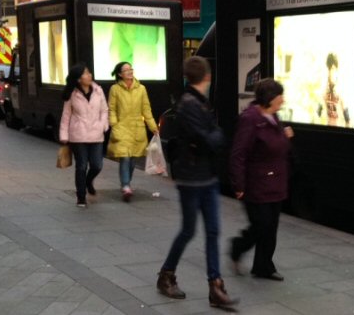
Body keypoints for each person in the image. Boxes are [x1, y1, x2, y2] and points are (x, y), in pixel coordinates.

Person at [157, 57, 238, 308]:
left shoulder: (199, 102)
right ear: (207, 77)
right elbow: (209, 139)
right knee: (189, 230)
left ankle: (216, 286)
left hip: (206, 176)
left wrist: (214, 136)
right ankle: (166, 275)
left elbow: (210, 137)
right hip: (192, 179)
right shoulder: (190, 104)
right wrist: (216, 135)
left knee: (212, 231)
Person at [229, 78, 293, 281]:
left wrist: (285, 137)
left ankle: (264, 266)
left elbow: (278, 146)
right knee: (261, 226)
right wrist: (238, 184)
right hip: (256, 183)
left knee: (271, 227)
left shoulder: (274, 117)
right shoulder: (250, 119)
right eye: (280, 96)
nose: (283, 100)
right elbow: (238, 153)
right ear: (270, 98)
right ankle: (238, 247)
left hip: (276, 182)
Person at [107, 61, 158, 201]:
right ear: (120, 74)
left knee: (133, 159)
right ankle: (125, 185)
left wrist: (153, 127)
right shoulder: (115, 89)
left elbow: (146, 110)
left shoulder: (141, 89)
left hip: (137, 128)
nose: (130, 71)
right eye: (126, 70)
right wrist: (114, 124)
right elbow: (112, 109)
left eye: (131, 69)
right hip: (122, 127)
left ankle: (126, 183)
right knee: (125, 157)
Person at [59, 63, 109, 208]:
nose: (89, 75)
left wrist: (103, 125)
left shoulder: (98, 90)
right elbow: (66, 115)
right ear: (78, 79)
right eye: (86, 73)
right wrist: (64, 135)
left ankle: (88, 181)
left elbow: (104, 110)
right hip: (78, 135)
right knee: (81, 166)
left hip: (96, 134)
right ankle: (81, 197)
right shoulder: (72, 94)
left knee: (97, 165)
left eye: (89, 72)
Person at [317, 52, 350, 127]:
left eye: (333, 69)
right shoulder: (324, 89)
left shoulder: (341, 89)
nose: (330, 72)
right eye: (329, 69)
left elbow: (347, 118)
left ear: (336, 70)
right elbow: (318, 114)